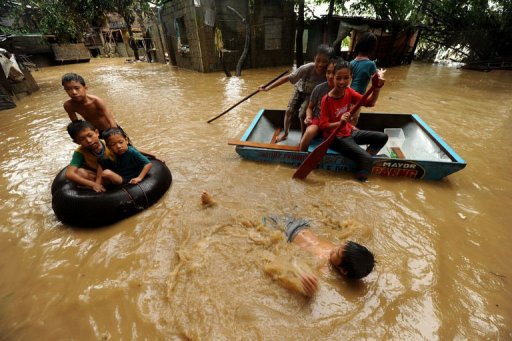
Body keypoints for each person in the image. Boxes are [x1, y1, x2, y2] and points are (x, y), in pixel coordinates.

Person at [263, 216, 375, 296]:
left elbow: (297, 265)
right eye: (340, 245)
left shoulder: (324, 268)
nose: (335, 248)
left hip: (287, 234)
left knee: (262, 220)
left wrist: (308, 288)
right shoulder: (343, 251)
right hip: (301, 224)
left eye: (337, 253)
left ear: (343, 271)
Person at [318, 59, 388, 182]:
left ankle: (364, 159)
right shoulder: (327, 100)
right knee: (366, 159)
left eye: (346, 78)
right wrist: (339, 123)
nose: (342, 82)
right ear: (333, 77)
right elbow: (323, 125)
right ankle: (362, 178)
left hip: (348, 132)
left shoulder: (349, 91)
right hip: (334, 138)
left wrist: (376, 88)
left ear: (351, 77)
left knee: (382, 137)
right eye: (338, 78)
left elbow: (370, 102)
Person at [259, 44, 333, 141]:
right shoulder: (306, 68)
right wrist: (268, 88)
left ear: (329, 62)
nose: (320, 64)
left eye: (324, 62)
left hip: (311, 95)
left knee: (302, 114)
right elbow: (287, 78)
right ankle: (285, 134)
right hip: (300, 90)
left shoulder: (329, 73)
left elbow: (335, 85)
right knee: (289, 111)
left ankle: (303, 137)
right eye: (318, 60)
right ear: (314, 58)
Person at [299, 57, 337, 151]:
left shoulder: (346, 91)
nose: (330, 76)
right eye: (328, 72)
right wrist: (308, 117)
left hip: (335, 122)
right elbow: (310, 107)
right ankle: (302, 156)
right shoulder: (319, 88)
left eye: (334, 73)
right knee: (308, 132)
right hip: (318, 120)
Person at [65, 120, 114, 192]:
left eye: (90, 135)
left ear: (97, 132)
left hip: (112, 173)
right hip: (95, 175)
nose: (89, 141)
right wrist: (93, 184)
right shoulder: (80, 152)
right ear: (76, 142)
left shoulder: (110, 143)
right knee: (80, 172)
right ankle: (98, 189)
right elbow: (69, 174)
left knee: (108, 173)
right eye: (82, 139)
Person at [349, 32, 378, 125]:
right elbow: (377, 79)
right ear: (372, 49)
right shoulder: (371, 64)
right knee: (354, 119)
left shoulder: (351, 63)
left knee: (347, 117)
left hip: (348, 93)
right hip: (359, 96)